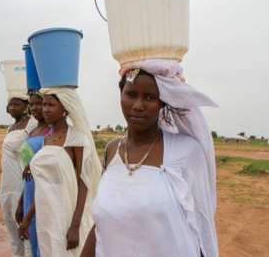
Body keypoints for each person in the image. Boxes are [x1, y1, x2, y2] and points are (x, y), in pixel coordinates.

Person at [81, 59, 219, 257]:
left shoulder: (186, 152)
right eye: (131, 94)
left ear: (162, 102)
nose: (138, 105)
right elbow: (105, 220)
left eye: (149, 97)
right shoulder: (113, 149)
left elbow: (201, 223)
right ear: (121, 96)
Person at [18, 87, 102, 256]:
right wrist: (27, 219)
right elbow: (43, 187)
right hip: (46, 215)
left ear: (64, 108)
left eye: (51, 105)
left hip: (66, 214)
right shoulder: (46, 140)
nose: (45, 109)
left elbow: (83, 183)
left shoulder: (76, 139)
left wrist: (75, 225)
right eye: (45, 105)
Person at [0, 92, 37, 257]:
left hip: (22, 181)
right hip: (8, 183)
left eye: (17, 104)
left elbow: (28, 152)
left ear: (26, 107)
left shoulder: (31, 124)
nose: (13, 107)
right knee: (11, 227)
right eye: (11, 105)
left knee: (24, 225)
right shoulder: (10, 128)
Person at [15, 91, 51, 257]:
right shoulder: (33, 132)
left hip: (44, 194)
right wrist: (22, 202)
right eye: (32, 104)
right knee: (33, 241)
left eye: (40, 103)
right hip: (30, 193)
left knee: (44, 243)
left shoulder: (51, 134)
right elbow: (26, 175)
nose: (35, 108)